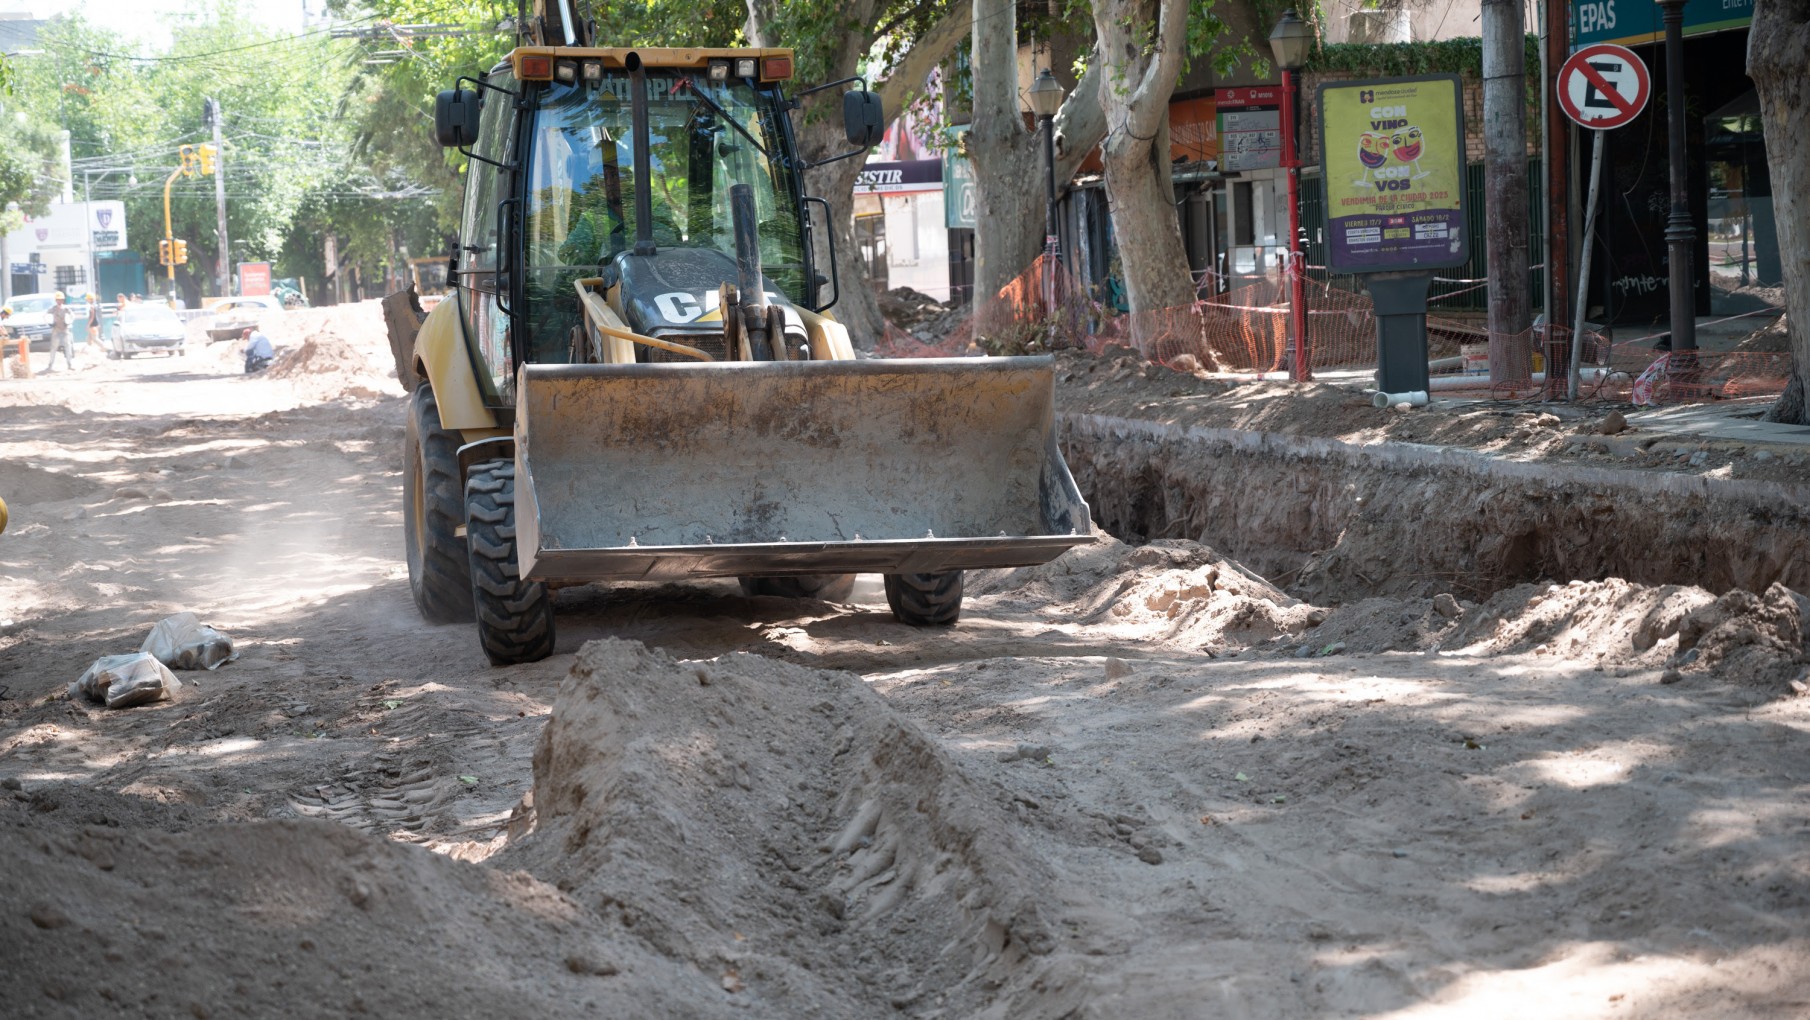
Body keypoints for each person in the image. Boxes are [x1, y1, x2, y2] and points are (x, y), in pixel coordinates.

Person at [43, 292, 75, 373]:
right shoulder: (53, 309)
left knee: (68, 347)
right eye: (58, 300)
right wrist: (49, 322)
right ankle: (50, 365)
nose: (59, 301)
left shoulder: (66, 309)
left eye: (61, 300)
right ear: (56, 300)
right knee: (53, 348)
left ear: (63, 300)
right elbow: (45, 315)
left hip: (65, 330)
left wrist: (69, 322)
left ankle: (70, 364)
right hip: (56, 330)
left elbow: (72, 315)